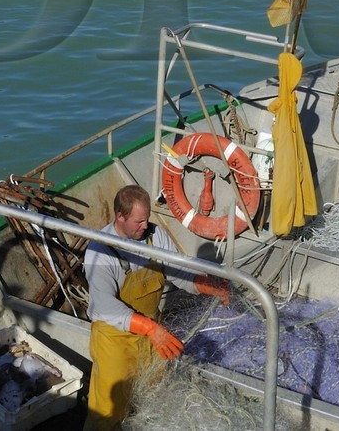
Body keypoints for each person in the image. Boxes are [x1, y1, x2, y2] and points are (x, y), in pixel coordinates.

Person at [83, 184, 229, 430]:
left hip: (151, 334)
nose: (145, 226)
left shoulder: (154, 235)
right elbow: (105, 306)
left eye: (147, 219)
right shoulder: (100, 250)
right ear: (120, 216)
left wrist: (206, 285)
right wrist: (151, 329)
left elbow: (178, 270)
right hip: (115, 340)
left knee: (154, 394)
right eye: (139, 221)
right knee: (107, 410)